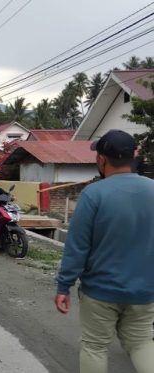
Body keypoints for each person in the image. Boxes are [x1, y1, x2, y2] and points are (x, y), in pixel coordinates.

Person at [55, 130, 154, 373]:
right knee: (142, 343)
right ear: (135, 155)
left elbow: (77, 247)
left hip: (100, 291)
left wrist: (63, 286)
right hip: (145, 291)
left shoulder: (93, 194)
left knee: (95, 347)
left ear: (101, 159)